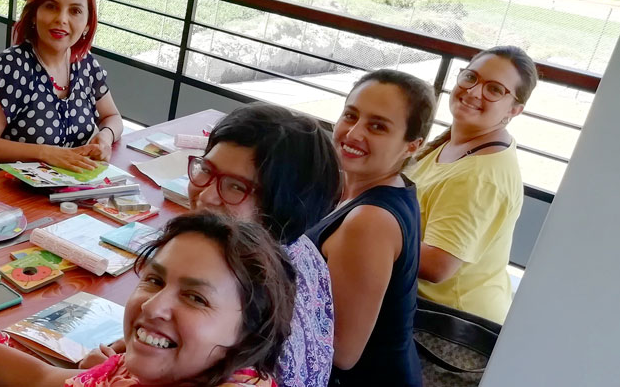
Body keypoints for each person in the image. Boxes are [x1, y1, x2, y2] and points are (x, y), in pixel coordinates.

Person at [0, 211, 296, 387]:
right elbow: (43, 380)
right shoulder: (144, 369)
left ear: (249, 331)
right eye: (153, 280)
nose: (153, 307)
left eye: (196, 298)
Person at [164, 104, 342, 387]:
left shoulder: (247, 289)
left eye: (236, 186)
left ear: (280, 206)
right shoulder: (301, 247)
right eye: (205, 170)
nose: (207, 196)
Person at [306, 69, 436, 386]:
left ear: (412, 145)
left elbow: (341, 351)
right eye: (351, 115)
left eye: (377, 126)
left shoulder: (369, 222)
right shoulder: (380, 186)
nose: (353, 133)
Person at [410, 46, 537, 324]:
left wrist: (367, 235)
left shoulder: (479, 176)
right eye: (471, 77)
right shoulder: (464, 141)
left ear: (515, 109)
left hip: (446, 329)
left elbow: (436, 265)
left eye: (494, 89)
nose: (475, 91)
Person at [0, 0, 122, 176]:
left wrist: (105, 137)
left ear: (87, 23)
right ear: (34, 15)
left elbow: (112, 116)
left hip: (67, 190)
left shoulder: (86, 65)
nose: (61, 19)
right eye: (51, 6)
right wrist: (45, 153)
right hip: (7, 193)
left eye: (75, 11)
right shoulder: (8, 68)